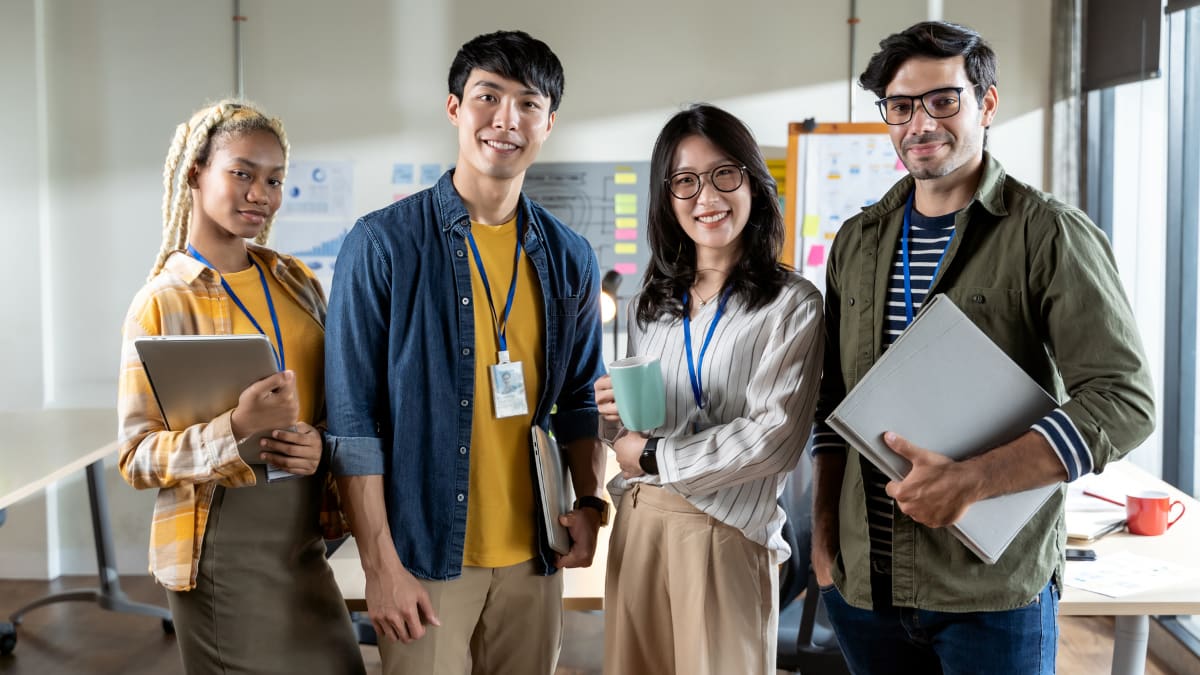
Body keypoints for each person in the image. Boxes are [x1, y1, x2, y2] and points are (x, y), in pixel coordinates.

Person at [810, 21, 1155, 674]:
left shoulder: (1048, 234)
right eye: (901, 106)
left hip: (990, 593)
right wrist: (824, 539)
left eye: (943, 100)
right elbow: (834, 397)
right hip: (865, 588)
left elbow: (1124, 399)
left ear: (987, 103)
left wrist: (972, 480)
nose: (920, 124)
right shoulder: (857, 242)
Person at [324, 30, 607, 675]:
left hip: (537, 553)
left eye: (528, 104)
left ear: (549, 123)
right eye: (488, 96)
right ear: (455, 108)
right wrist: (380, 566)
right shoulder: (383, 244)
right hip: (425, 556)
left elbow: (580, 399)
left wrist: (590, 503)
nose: (506, 120)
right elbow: (351, 421)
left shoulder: (569, 257)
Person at [116, 100, 364, 674]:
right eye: (243, 173)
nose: (262, 194)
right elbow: (135, 458)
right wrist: (237, 429)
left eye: (274, 180)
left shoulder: (296, 281)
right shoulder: (162, 302)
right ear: (196, 172)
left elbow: (336, 406)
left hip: (304, 541)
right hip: (219, 548)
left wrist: (319, 442)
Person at [593, 104, 825, 674]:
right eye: (685, 181)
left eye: (725, 173)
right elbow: (635, 428)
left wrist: (651, 453)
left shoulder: (792, 303)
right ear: (667, 198)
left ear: (751, 180)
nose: (707, 197)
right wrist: (613, 418)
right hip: (641, 519)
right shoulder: (653, 302)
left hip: (725, 532)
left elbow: (774, 440)